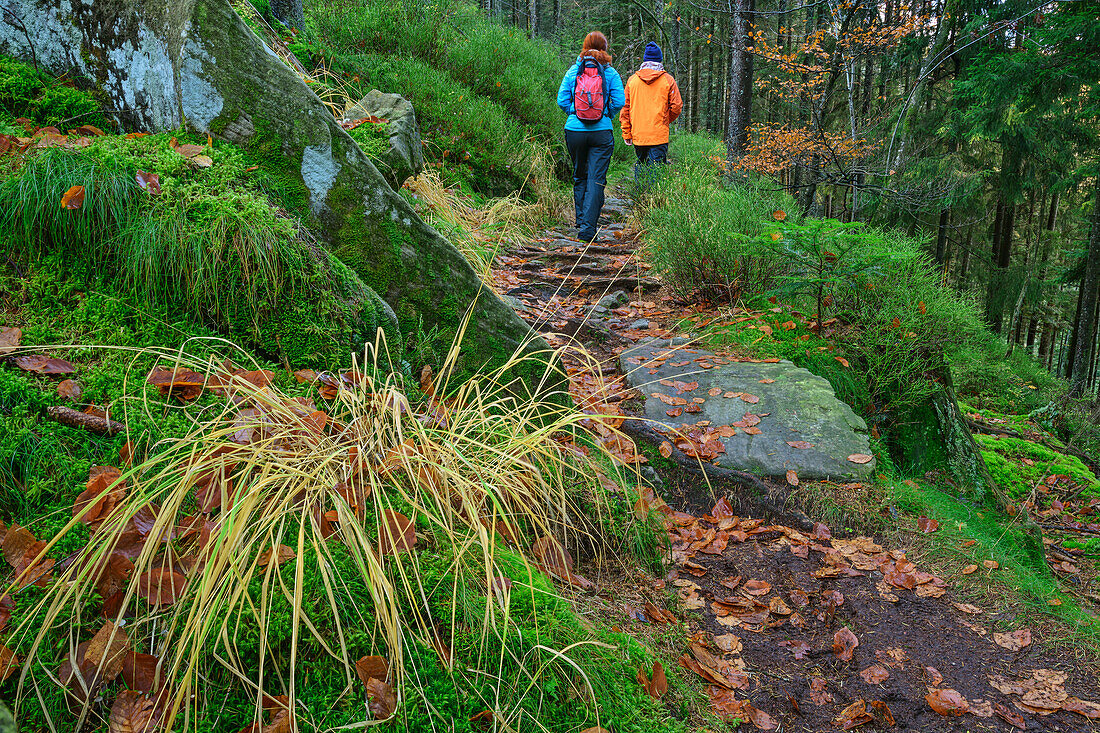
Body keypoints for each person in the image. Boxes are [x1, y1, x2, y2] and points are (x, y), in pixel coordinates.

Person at [557, 31, 625, 243]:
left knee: (580, 175)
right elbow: (619, 101)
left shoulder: (573, 70)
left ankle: (580, 220)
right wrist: (606, 114)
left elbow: (561, 100)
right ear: (605, 48)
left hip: (575, 131)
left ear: (585, 46)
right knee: (596, 180)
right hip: (601, 133)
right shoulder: (610, 72)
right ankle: (587, 228)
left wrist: (576, 113)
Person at [620, 42, 683, 175]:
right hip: (659, 135)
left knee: (642, 165)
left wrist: (627, 132)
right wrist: (665, 120)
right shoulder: (668, 80)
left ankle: (639, 194)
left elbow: (625, 108)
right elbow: (676, 107)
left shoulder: (632, 81)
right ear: (660, 60)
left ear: (644, 60)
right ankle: (652, 196)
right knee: (656, 170)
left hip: (639, 134)